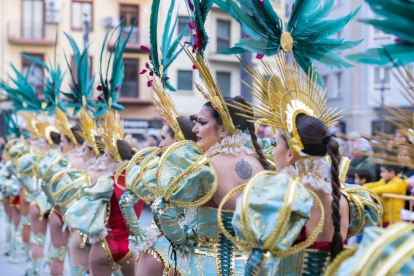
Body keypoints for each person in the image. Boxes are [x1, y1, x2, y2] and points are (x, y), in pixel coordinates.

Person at [215, 54, 382, 275]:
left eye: (275, 144)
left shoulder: (282, 195)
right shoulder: (341, 197)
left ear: (291, 153)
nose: (272, 151)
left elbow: (257, 265)